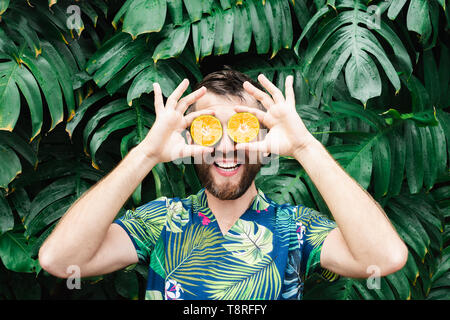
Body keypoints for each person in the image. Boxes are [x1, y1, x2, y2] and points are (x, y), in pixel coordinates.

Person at [38, 68, 408, 300]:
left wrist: (304, 146)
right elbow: (60, 260)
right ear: (190, 139)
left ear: (264, 142)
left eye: (242, 129)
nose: (227, 147)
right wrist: (147, 152)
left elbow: (384, 258)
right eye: (210, 128)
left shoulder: (294, 228)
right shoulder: (160, 222)